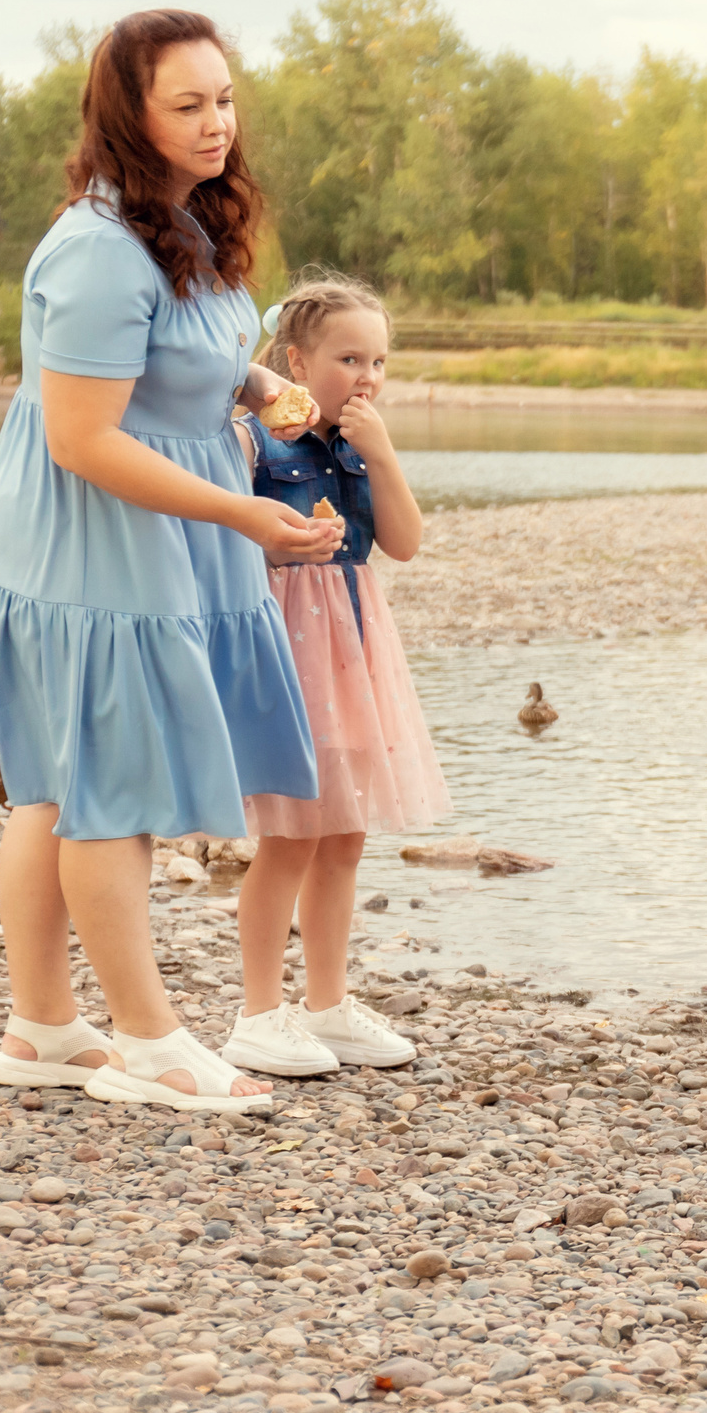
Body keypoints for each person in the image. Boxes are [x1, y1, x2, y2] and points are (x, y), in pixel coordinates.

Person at [0, 9, 341, 1114]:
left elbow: (190, 358)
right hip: (87, 542)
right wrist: (244, 514)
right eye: (187, 105)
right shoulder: (95, 251)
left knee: (53, 779)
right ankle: (147, 1043)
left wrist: (258, 384)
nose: (216, 122)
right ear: (128, 116)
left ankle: (41, 1030)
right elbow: (82, 441)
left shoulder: (182, 221)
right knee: (106, 788)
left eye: (223, 99)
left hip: (145, 531)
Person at [220, 275, 447, 1076]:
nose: (367, 376)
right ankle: (257, 1010)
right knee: (290, 832)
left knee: (344, 834)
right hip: (285, 639)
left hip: (355, 644)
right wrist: (271, 544)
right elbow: (214, 537)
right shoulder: (255, 439)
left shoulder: (361, 443)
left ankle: (326, 1001)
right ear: (293, 358)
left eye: (379, 360)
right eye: (348, 357)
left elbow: (406, 542)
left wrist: (382, 453)